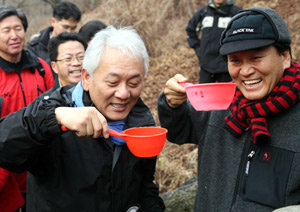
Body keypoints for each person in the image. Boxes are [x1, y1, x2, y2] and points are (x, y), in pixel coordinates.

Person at [0, 26, 165, 212]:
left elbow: (144, 183)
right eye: (112, 82)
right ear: (86, 78)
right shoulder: (55, 108)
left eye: (134, 83)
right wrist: (55, 119)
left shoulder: (140, 119)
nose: (124, 93)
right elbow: (4, 146)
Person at [158, 7, 300, 211]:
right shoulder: (221, 103)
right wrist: (172, 103)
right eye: (235, 61)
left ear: (285, 57)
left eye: (256, 58)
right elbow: (179, 130)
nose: (246, 71)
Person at [0, 5, 54, 212]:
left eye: (18, 28)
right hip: (7, 176)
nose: (14, 35)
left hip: (41, 171)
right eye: (6, 30)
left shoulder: (41, 67)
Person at [186, 0, 241, 83]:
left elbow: (242, 37)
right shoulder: (203, 12)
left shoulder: (236, 13)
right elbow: (190, 31)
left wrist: (235, 55)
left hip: (226, 67)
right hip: (206, 66)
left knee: (226, 95)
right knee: (205, 95)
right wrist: (199, 50)